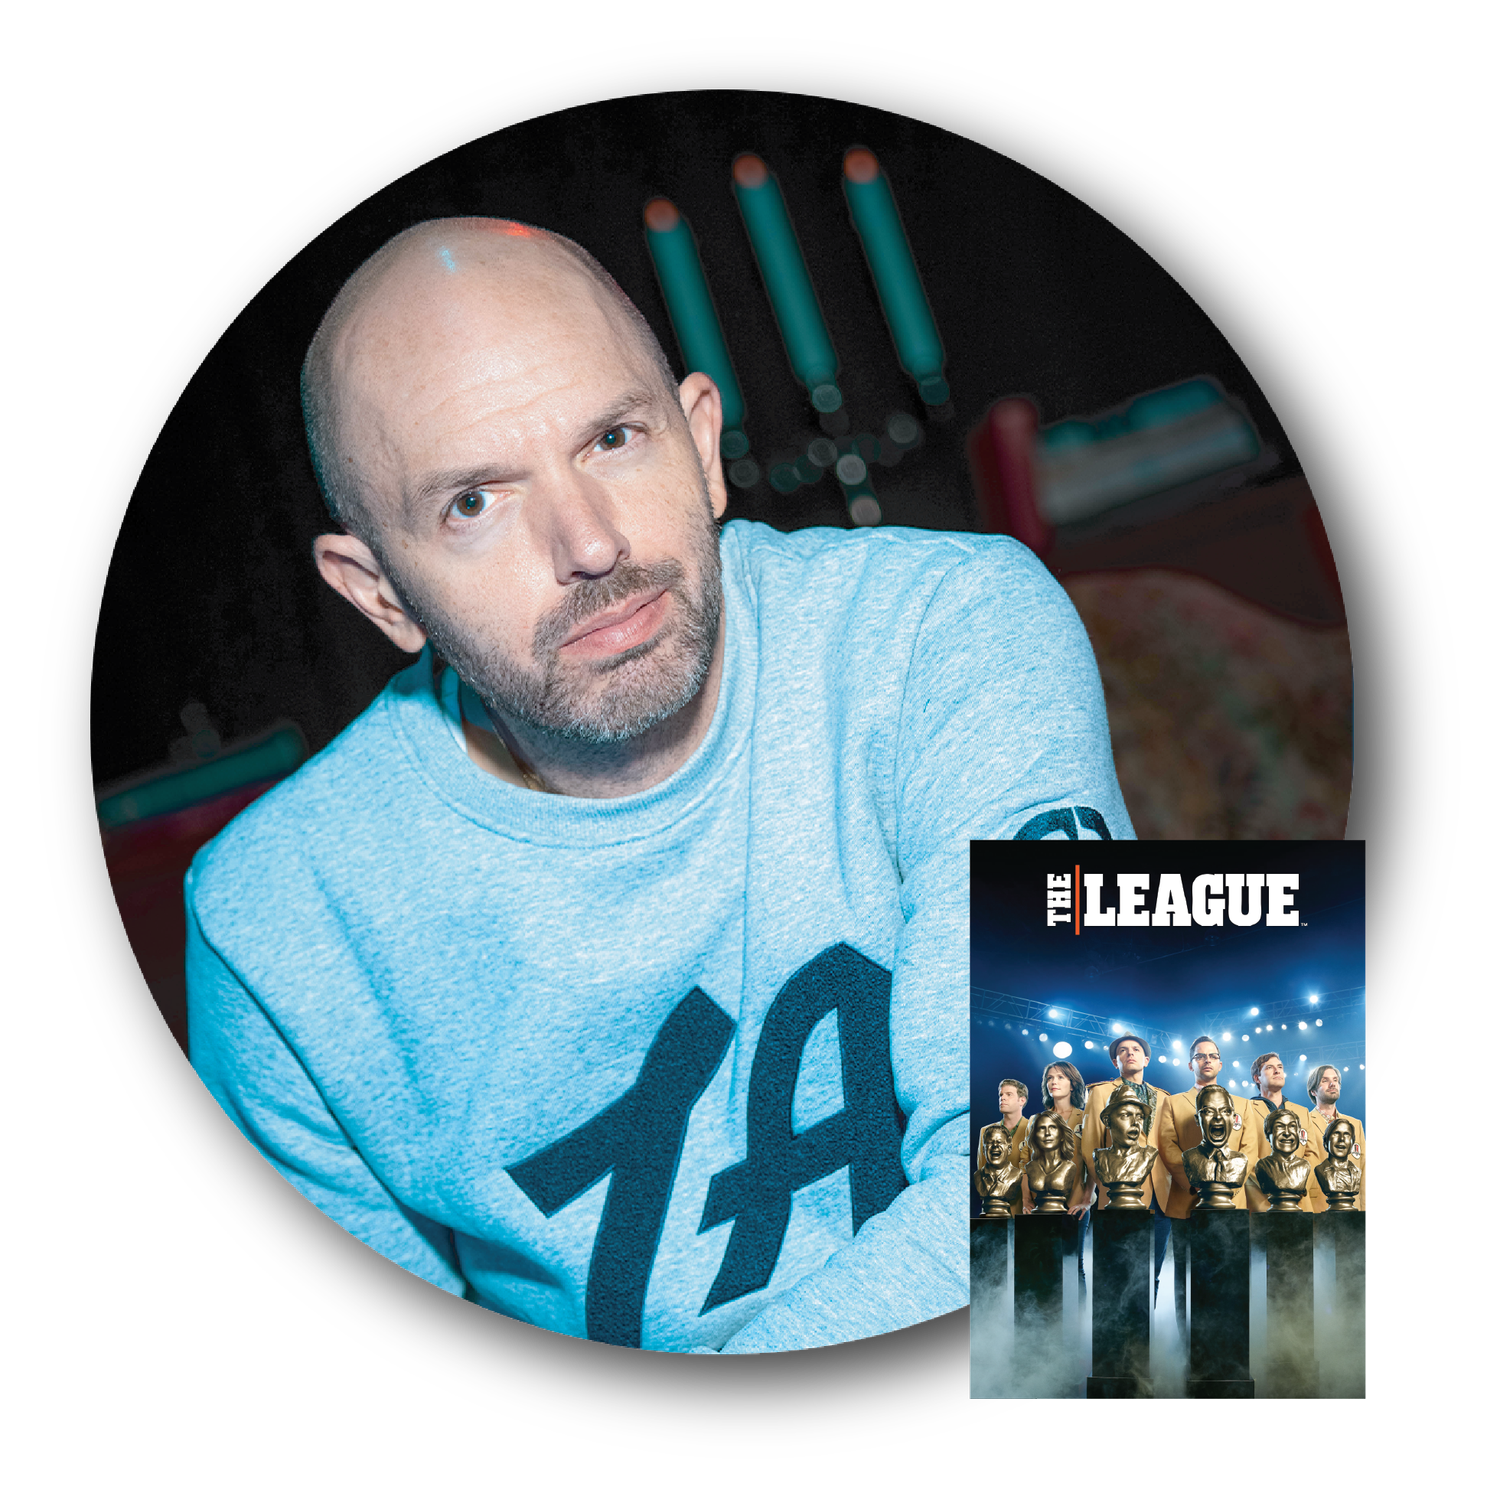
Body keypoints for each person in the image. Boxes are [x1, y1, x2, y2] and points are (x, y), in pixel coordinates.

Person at [183, 217, 1134, 1355]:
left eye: (614, 438)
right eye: (473, 502)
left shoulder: (958, 625)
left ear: (700, 439)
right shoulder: (274, 928)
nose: (587, 541)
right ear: (378, 590)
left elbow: (1128, 1209)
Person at [1158, 1035, 1253, 1343]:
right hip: (1187, 1202)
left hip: (1231, 1204)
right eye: (1201, 1056)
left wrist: (1227, 1189)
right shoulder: (1173, 1102)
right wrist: (1195, 1184)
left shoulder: (1243, 1105)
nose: (1207, 1060)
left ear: (1221, 1063)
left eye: (1213, 1056)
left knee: (1229, 1277)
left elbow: (1251, 1149)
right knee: (1186, 1278)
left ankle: (1228, 1346)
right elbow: (1168, 1148)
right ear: (1191, 1064)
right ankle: (1187, 1345)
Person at [1075, 1034, 1173, 1296]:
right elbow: (1090, 1146)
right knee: (1117, 1272)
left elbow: (1169, 1146)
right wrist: (1108, 1188)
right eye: (1123, 1050)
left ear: (1147, 1059)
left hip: (1161, 1196)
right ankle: (1117, 1335)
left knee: (1152, 1271)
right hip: (1117, 1194)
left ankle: (1145, 1335)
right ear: (1115, 1060)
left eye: (1136, 1049)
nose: (1130, 1053)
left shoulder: (1164, 1098)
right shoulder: (1099, 1092)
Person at [1242, 1052, 1316, 1213]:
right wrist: (1273, 1184)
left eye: (1280, 1067)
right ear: (1257, 1078)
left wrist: (1298, 1184)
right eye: (1270, 1068)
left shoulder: (1303, 1112)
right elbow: (1243, 1153)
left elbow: (1313, 1155)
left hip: (1299, 1202)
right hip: (1260, 1200)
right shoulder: (1245, 1110)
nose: (1277, 1071)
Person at [1303, 1064, 1367, 1213]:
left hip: (1353, 1210)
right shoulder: (1304, 1122)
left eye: (1335, 1080)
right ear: (1313, 1091)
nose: (1332, 1084)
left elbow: (1364, 1171)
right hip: (1318, 1208)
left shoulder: (1355, 1124)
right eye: (1325, 1080)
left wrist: (1364, 1210)